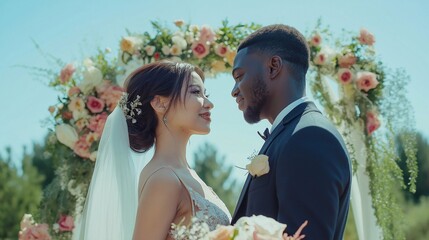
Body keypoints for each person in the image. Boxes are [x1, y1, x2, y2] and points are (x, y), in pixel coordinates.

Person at [79, 61, 231, 240]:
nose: (209, 103)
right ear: (159, 103)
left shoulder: (187, 174)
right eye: (196, 92)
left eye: (206, 94)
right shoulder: (163, 179)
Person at [230, 24, 352, 240]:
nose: (234, 91)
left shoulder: (309, 137)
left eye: (239, 76)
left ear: (274, 66)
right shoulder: (291, 134)